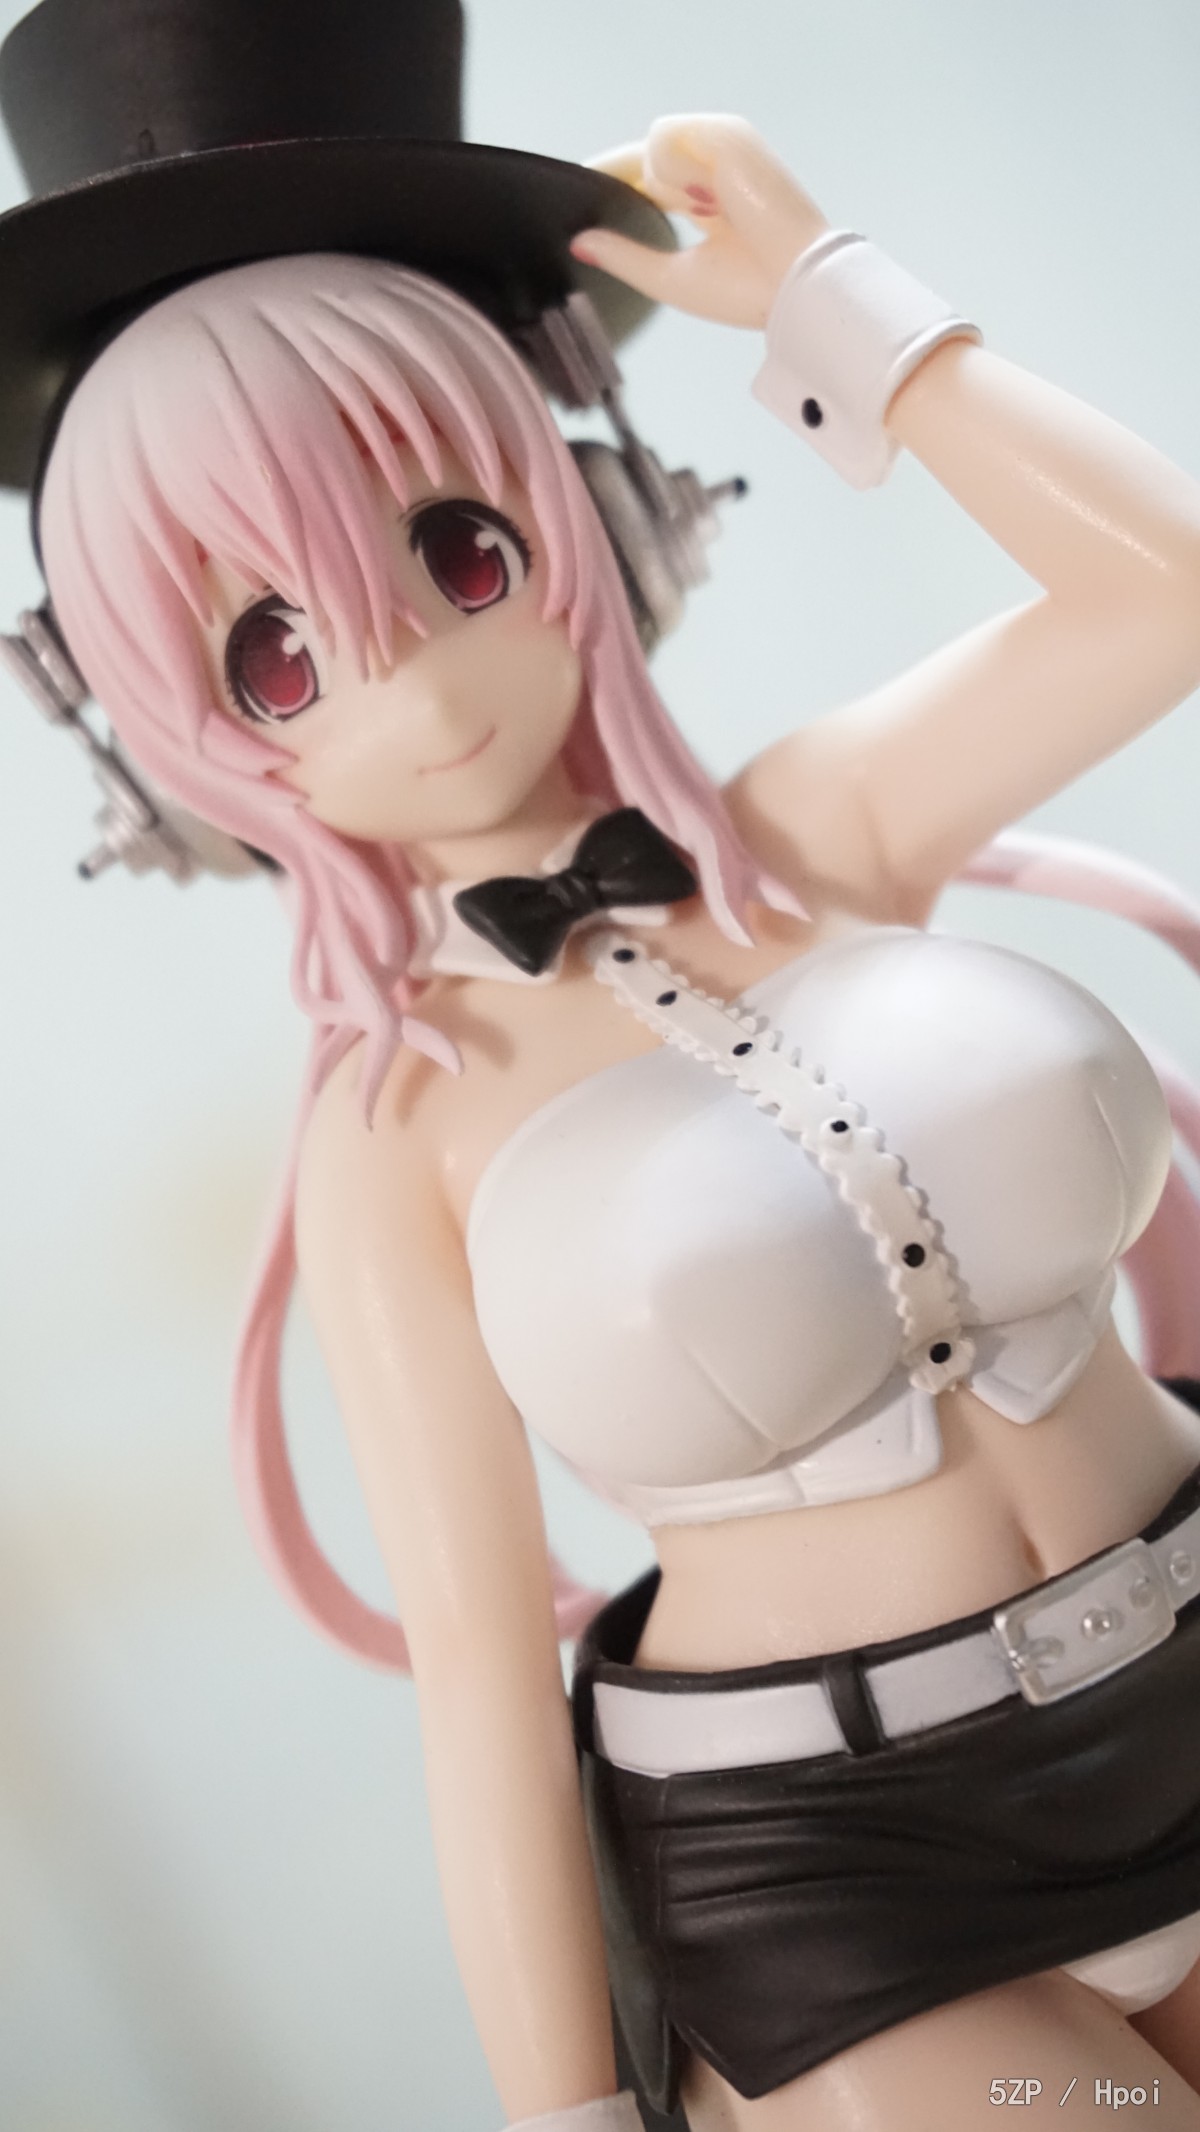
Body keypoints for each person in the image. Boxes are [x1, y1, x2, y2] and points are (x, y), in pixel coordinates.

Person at [6, 6, 1200, 2127]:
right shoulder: (396, 1128)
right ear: (174, 737)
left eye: (458, 549)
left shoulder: (827, 825)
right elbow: (479, 1674)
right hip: (839, 1876)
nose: (415, 677)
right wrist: (570, 2115)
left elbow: (1165, 591)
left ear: (574, 498)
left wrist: (835, 301)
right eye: (273, 653)